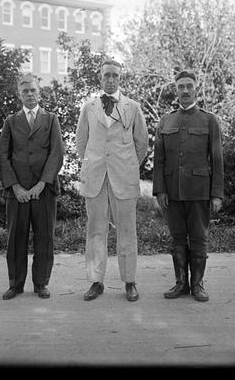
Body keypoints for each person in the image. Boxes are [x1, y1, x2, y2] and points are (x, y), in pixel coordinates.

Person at [75, 58, 149, 302]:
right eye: (106, 75)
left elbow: (142, 143)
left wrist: (127, 165)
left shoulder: (132, 107)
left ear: (120, 78)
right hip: (95, 177)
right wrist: (95, 163)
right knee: (95, 231)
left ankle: (130, 281)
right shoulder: (89, 108)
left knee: (127, 231)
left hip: (123, 178)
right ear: (100, 77)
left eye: (114, 75)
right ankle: (96, 281)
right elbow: (81, 143)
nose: (110, 79)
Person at [152, 70, 224, 302]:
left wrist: (216, 194)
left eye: (189, 86)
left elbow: (217, 160)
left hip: (199, 191)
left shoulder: (209, 120)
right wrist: (160, 190)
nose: (185, 90)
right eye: (181, 86)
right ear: (176, 89)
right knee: (177, 238)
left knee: (199, 238)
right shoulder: (166, 121)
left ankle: (197, 285)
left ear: (196, 89)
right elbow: (159, 159)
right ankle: (181, 283)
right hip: (172, 191)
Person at [0, 73, 64, 300]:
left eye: (33, 90)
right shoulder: (11, 121)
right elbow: (3, 157)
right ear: (19, 95)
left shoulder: (51, 119)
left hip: (43, 190)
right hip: (17, 193)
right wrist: (15, 187)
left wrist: (41, 184)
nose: (29, 94)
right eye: (25, 91)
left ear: (40, 93)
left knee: (44, 237)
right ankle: (15, 284)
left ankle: (41, 283)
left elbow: (57, 153)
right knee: (16, 238)